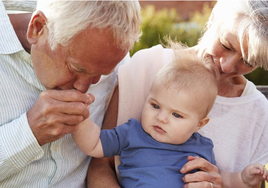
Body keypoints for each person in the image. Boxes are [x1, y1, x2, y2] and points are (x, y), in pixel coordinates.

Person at [87, 0, 268, 188]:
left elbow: (253, 184)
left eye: (248, 60)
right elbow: (101, 164)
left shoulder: (258, 111)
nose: (227, 65)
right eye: (226, 45)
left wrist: (220, 184)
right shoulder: (147, 66)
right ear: (212, 18)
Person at [0, 0, 141, 187]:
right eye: (75, 67)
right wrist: (30, 132)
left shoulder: (115, 61)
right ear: (38, 28)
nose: (83, 88)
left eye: (100, 76)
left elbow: (111, 160)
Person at [73, 50, 219, 187]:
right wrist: (81, 116)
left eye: (176, 115)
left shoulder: (203, 148)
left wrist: (241, 177)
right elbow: (93, 144)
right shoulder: (131, 133)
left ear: (199, 124)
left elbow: (220, 178)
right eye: (155, 106)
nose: (161, 118)